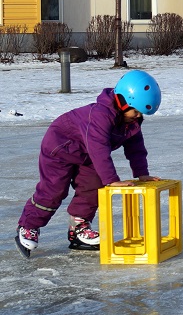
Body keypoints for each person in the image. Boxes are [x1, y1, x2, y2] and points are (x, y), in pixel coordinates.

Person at [15, 70, 162, 257]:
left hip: (86, 154)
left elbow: (136, 147)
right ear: (123, 101)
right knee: (54, 191)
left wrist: (141, 172)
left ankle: (79, 228)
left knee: (93, 186)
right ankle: (28, 226)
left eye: (142, 114)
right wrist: (112, 179)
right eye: (136, 111)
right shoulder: (100, 115)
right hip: (60, 148)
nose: (138, 117)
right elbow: (99, 148)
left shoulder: (131, 122)